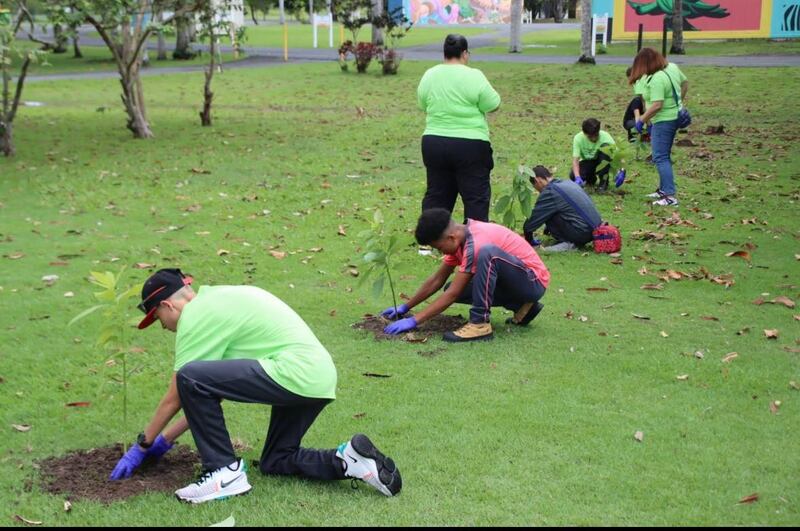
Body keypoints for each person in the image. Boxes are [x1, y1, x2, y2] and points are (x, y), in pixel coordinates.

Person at [109, 268, 402, 504]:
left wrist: (143, 444)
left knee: (188, 375)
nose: (162, 327)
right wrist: (166, 441)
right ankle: (349, 460)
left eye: (157, 318)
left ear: (167, 304)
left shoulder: (196, 315)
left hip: (293, 373)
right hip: (316, 378)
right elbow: (208, 396)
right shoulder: (221, 299)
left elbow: (179, 391)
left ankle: (223, 473)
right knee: (277, 459)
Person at [381, 209, 550, 343]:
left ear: (451, 237)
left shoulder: (476, 243)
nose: (440, 252)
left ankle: (479, 324)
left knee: (487, 254)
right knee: (454, 287)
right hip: (516, 283)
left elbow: (452, 295)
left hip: (532, 281)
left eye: (439, 247)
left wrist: (415, 321)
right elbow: (437, 280)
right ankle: (521, 307)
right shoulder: (460, 240)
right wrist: (406, 307)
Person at [417, 34, 501, 222]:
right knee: (475, 196)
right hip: (471, 144)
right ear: (465, 54)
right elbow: (493, 103)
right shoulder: (474, 75)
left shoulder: (430, 74)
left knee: (437, 193)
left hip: (434, 142)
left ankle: (429, 240)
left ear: (444, 54)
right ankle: (474, 240)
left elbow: (422, 104)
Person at [629, 48, 689, 207]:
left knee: (660, 157)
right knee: (663, 155)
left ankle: (669, 195)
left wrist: (641, 119)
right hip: (672, 117)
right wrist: (678, 104)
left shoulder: (656, 78)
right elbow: (685, 83)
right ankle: (663, 190)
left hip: (663, 121)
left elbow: (657, 105)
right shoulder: (672, 68)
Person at [523, 165, 602, 253]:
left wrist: (529, 241)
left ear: (538, 180)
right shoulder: (567, 182)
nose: (538, 191)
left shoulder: (550, 192)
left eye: (535, 187)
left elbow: (531, 223)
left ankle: (569, 243)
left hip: (582, 233)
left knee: (546, 211)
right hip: (595, 229)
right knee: (551, 209)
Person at [569, 118, 620, 192]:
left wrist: (622, 170)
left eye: (596, 135)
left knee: (605, 148)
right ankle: (591, 179)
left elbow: (618, 154)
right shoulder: (578, 138)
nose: (594, 139)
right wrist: (577, 177)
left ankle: (603, 182)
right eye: (590, 137)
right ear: (584, 133)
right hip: (588, 162)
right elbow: (575, 160)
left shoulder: (605, 136)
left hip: (603, 161)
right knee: (572, 176)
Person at [623, 67, 647, 143]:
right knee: (635, 125)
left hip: (639, 117)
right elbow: (637, 115)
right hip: (629, 121)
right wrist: (638, 125)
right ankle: (632, 137)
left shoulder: (640, 84)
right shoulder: (637, 100)